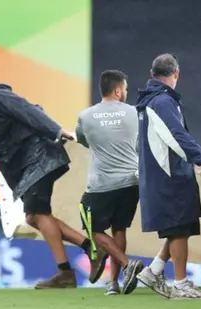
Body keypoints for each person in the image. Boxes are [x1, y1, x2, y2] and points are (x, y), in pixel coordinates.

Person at [0, 77, 109, 289]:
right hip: (34, 163)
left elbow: (29, 111)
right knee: (33, 218)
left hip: (40, 159)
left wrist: (57, 131)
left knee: (38, 215)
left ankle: (69, 269)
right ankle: (88, 251)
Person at [134, 53, 201, 300]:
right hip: (170, 175)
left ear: (152, 74)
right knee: (179, 228)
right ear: (176, 74)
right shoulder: (162, 101)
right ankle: (180, 284)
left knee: (180, 226)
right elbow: (177, 137)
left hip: (161, 173)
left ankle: (154, 270)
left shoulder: (148, 101)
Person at [75, 70, 145, 295]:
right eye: (124, 89)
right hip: (131, 182)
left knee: (90, 227)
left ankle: (127, 265)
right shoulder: (134, 113)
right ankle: (113, 283)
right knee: (119, 228)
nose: (125, 93)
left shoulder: (85, 116)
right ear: (117, 90)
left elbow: (83, 141)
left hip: (101, 185)